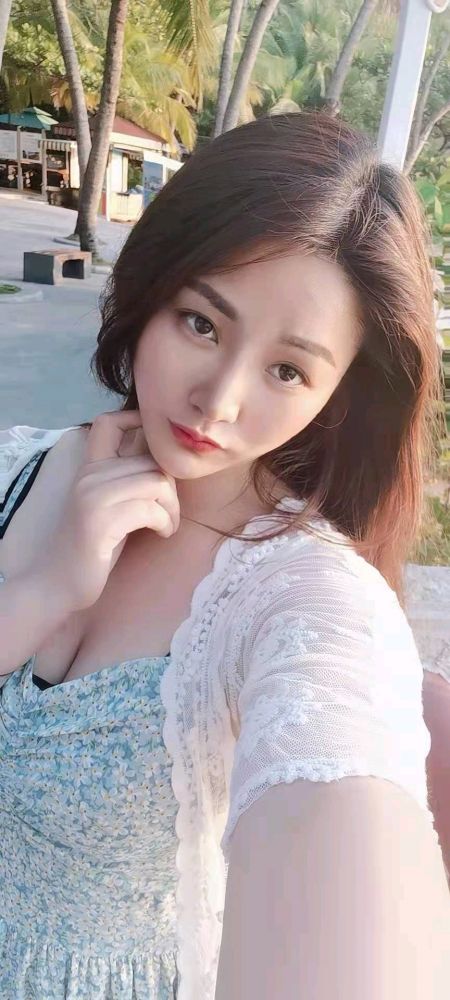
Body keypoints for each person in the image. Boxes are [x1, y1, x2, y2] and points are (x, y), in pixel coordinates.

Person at [0, 110, 449, 1000]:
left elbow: (339, 772)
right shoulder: (23, 464)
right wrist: (47, 588)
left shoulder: (306, 599)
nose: (219, 400)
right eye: (202, 323)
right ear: (153, 288)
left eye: (287, 371)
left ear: (335, 396)